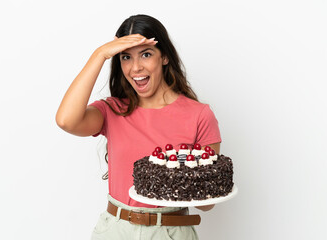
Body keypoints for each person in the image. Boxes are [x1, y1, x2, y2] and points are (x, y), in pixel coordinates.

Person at [56, 14, 221, 240]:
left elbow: (207, 204)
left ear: (164, 57)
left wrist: (180, 177)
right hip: (116, 230)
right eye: (125, 57)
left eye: (146, 54)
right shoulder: (112, 110)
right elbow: (66, 120)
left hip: (171, 231)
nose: (135, 67)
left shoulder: (199, 115)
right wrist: (100, 54)